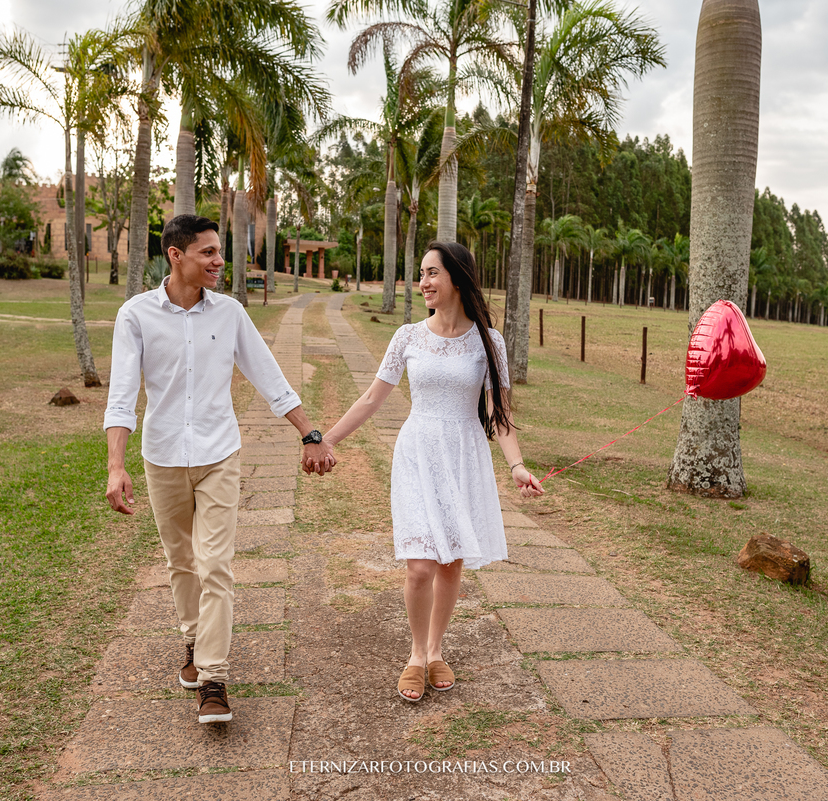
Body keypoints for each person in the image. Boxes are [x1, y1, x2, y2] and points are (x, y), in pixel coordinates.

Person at [104, 214, 334, 724]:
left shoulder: (228, 313)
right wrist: (115, 466)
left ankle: (213, 677)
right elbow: (122, 397)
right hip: (162, 456)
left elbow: (268, 375)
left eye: (219, 252)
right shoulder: (135, 315)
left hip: (219, 455)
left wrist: (309, 433)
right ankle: (193, 638)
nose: (219, 261)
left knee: (216, 565)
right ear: (176, 255)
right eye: (208, 252)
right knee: (181, 561)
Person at [320, 241, 544, 701]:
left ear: (457, 278)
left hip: (463, 453)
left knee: (450, 561)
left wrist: (517, 466)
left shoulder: (489, 340)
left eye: (431, 273)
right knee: (420, 565)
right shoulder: (406, 336)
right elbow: (371, 398)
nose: (422, 282)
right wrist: (327, 440)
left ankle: (437, 649)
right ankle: (416, 654)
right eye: (420, 273)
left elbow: (498, 411)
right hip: (418, 451)